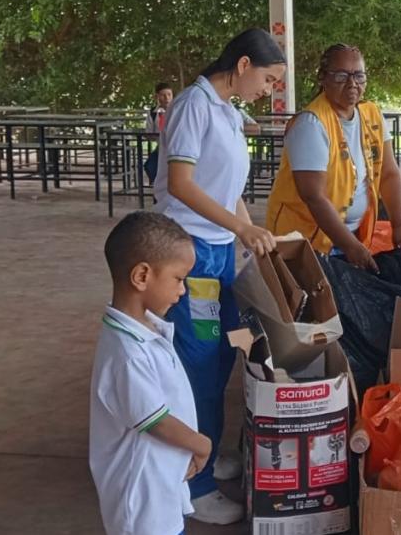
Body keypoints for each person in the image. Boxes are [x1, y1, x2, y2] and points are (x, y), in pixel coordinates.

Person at [156, 27, 285, 525]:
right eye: (270, 79)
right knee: (199, 364)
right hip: (188, 254)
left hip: (218, 253)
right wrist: (238, 230)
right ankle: (198, 481)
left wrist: (249, 234)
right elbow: (181, 184)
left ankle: (207, 450)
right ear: (244, 64)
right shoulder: (193, 105)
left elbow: (228, 189)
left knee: (228, 352)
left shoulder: (228, 112)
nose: (269, 89)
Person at [91, 211, 211, 535]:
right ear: (142, 276)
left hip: (160, 483)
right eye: (178, 278)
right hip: (142, 501)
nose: (183, 290)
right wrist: (201, 445)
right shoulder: (128, 355)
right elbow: (155, 420)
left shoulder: (144, 329)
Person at [265, 44, 401, 272]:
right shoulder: (311, 124)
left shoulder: (371, 114)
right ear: (323, 78)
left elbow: (388, 173)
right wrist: (351, 246)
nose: (352, 83)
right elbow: (313, 196)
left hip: (352, 237)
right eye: (341, 76)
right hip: (305, 243)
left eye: (359, 75)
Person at [144, 82, 174, 185]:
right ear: (157, 97)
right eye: (163, 95)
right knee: (150, 166)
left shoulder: (178, 110)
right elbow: (149, 133)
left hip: (176, 148)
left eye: (169, 94)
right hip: (161, 148)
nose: (167, 98)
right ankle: (158, 188)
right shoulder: (153, 113)